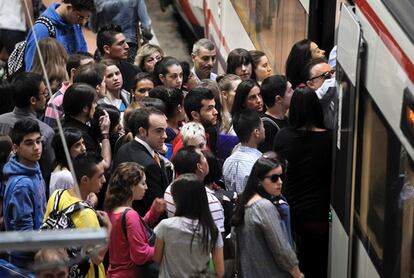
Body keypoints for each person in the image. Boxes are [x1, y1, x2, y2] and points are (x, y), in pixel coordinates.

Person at [273, 87, 332, 278]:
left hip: (289, 212)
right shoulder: (329, 139)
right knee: (318, 263)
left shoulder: (283, 137)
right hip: (319, 216)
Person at [231, 152, 303, 278]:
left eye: (281, 177)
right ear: (259, 181)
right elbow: (282, 250)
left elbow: (234, 239)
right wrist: (298, 274)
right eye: (274, 178)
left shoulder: (244, 202)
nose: (280, 182)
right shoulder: (264, 207)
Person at [44, 152, 111, 278]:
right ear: (85, 179)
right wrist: (108, 228)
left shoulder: (57, 195)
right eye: (100, 176)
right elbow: (98, 258)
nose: (104, 180)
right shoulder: (87, 215)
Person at [154, 174, 225, 278]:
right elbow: (219, 272)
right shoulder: (212, 230)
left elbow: (156, 259)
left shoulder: (165, 226)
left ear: (177, 200)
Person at [105, 162, 165, 277]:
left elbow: (133, 231)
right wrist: (163, 247)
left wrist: (153, 212)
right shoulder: (130, 215)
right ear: (132, 186)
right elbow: (140, 255)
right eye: (143, 183)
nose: (146, 187)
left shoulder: (113, 209)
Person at [2, 119, 46, 269]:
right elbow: (25, 236)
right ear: (15, 148)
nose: (36, 147)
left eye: (38, 141)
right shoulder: (22, 185)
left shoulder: (34, 168)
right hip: (26, 262)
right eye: (29, 143)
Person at [112, 107, 169, 215]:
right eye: (159, 131)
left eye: (165, 130)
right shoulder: (149, 165)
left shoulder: (124, 148)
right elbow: (157, 208)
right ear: (142, 131)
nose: (165, 136)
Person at [0, 72, 55, 177]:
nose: (46, 97)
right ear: (33, 100)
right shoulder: (45, 132)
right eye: (44, 93)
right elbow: (48, 171)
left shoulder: (0, 121)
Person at [164, 146, 225, 233]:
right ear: (199, 167)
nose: (206, 158)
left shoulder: (169, 190)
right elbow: (217, 238)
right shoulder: (210, 201)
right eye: (203, 157)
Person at [24, 0, 94, 71]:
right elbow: (32, 71)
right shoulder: (41, 29)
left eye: (86, 18)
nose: (82, 21)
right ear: (69, 8)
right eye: (80, 17)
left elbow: (83, 54)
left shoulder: (75, 24)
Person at [62, 83, 112, 169]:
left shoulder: (65, 123)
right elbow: (104, 165)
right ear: (85, 108)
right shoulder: (80, 136)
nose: (96, 106)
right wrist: (105, 133)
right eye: (94, 102)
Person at [43, 52, 94, 129]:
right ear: (74, 72)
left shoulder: (93, 93)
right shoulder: (57, 101)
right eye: (87, 69)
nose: (94, 73)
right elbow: (50, 133)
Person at [223, 109, 264, 194]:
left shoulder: (227, 161)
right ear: (256, 132)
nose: (264, 129)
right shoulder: (260, 163)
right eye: (262, 126)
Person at [173, 87, 218, 155]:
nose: (216, 112)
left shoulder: (207, 132)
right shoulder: (186, 142)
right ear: (195, 115)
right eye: (209, 109)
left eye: (214, 107)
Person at [96, 24, 141, 92]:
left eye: (125, 42)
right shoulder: (94, 74)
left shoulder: (134, 71)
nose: (127, 46)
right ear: (107, 49)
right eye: (121, 44)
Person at [258, 75, 293, 152]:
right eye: (290, 91)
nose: (294, 92)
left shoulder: (286, 119)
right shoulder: (266, 126)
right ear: (278, 99)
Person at [49, 128, 86, 195]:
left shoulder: (63, 168)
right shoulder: (66, 176)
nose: (83, 148)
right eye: (77, 145)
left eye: (83, 143)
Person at [304, 57, 336, 129]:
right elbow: (330, 86)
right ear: (311, 84)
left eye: (332, 72)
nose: (331, 78)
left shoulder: (332, 94)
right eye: (326, 75)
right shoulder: (312, 101)